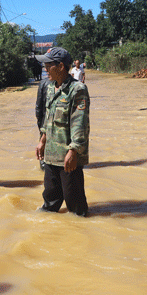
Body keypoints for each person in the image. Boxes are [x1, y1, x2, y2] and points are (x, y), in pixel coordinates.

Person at [35, 47, 90, 217]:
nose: (45, 69)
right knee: (50, 200)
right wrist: (42, 140)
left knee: (75, 207)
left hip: (68, 157)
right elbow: (48, 118)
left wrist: (73, 151)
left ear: (60, 66)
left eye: (48, 65)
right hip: (51, 155)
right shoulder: (51, 88)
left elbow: (80, 123)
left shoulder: (77, 89)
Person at [34, 75, 52, 171]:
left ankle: (44, 169)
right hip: (53, 121)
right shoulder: (66, 83)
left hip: (44, 121)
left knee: (43, 146)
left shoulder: (43, 83)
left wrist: (40, 123)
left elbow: (38, 106)